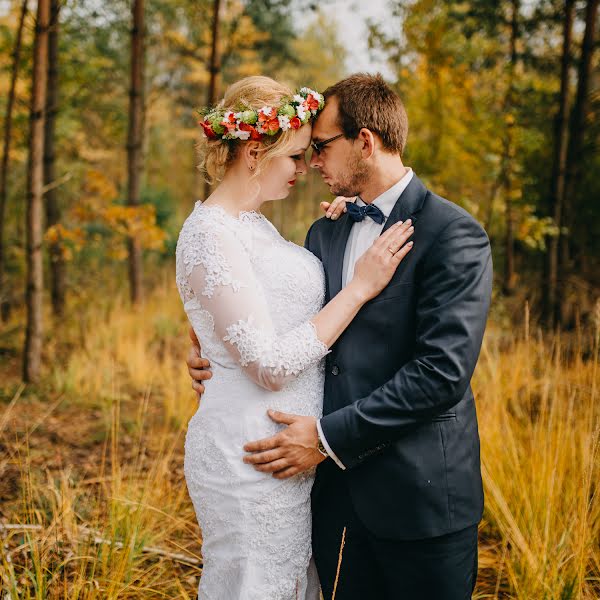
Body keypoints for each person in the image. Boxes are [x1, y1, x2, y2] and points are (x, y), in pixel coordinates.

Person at [187, 73, 493, 600]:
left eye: (322, 147)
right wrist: (208, 345)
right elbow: (276, 319)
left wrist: (327, 439)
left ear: (366, 143)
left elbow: (440, 374)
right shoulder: (324, 230)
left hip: (418, 499)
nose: (312, 166)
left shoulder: (453, 234)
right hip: (326, 501)